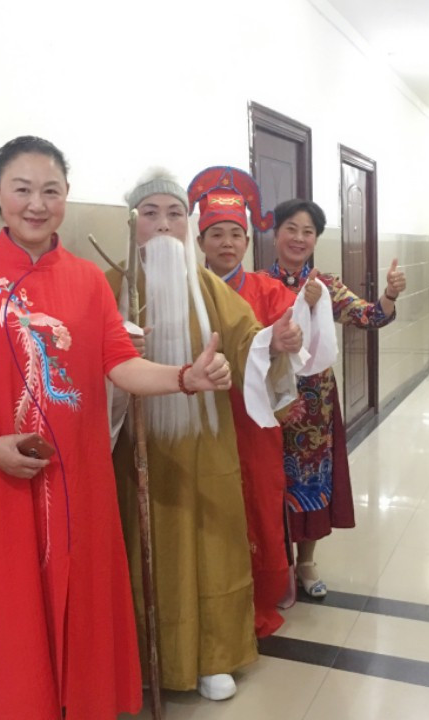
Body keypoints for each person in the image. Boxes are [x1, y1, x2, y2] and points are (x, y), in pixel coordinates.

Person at [0, 137, 233, 720]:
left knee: (81, 595)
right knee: (8, 606)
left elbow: (120, 364)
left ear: (66, 195)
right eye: (22, 189)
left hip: (77, 477)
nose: (36, 204)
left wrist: (185, 377)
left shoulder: (88, 281)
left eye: (51, 191)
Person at [107, 169, 305, 701]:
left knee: (214, 546)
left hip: (207, 446)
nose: (163, 225)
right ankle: (145, 656)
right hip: (134, 454)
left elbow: (248, 342)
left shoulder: (209, 287)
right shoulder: (111, 286)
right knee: (145, 549)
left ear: (186, 225)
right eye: (151, 214)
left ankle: (214, 655)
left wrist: (275, 343)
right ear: (132, 223)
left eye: (174, 214)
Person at [188, 166, 337, 636]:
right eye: (216, 234)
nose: (227, 243)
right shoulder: (186, 290)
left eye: (236, 234)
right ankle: (207, 599)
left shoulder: (268, 290)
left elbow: (294, 347)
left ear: (248, 241)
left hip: (252, 420)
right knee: (207, 507)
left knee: (258, 501)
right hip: (198, 417)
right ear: (200, 240)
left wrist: (287, 340)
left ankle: (259, 594)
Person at [261, 198, 406, 598]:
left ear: (316, 239)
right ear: (275, 234)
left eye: (308, 232)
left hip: (314, 406)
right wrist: (298, 306)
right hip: (268, 402)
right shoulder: (257, 284)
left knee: (310, 481)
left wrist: (389, 295)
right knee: (268, 483)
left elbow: (371, 316)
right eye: (291, 229)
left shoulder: (326, 286)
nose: (299, 238)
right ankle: (276, 565)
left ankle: (306, 562)